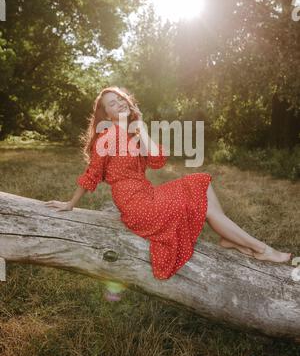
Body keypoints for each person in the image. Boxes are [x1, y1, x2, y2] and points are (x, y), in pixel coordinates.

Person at [45, 86, 292, 280]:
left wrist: (140, 128)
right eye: (112, 103)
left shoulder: (133, 130)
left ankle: (231, 237)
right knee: (201, 195)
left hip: (146, 194)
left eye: (120, 98)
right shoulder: (108, 135)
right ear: (106, 114)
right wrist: (70, 204)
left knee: (201, 183)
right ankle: (260, 249)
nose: (119, 103)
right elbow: (92, 173)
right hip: (135, 204)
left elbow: (157, 161)